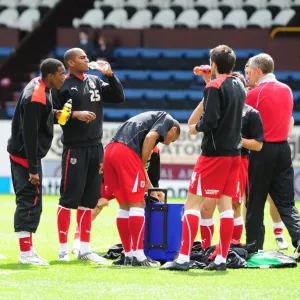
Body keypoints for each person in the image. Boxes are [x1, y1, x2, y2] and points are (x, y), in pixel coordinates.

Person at [160, 45, 245, 272]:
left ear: (214, 64)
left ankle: (184, 258)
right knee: (225, 206)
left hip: (213, 155)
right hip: (234, 153)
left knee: (192, 203)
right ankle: (220, 259)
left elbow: (211, 120)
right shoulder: (240, 85)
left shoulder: (214, 87)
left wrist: (195, 128)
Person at [53, 48, 125, 263]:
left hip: (96, 147)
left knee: (89, 199)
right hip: (74, 147)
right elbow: (51, 115)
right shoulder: (62, 84)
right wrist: (75, 114)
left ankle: (84, 248)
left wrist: (110, 76)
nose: (87, 59)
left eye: (86, 56)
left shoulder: (94, 80)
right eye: (82, 57)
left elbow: (119, 97)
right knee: (68, 199)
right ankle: (63, 249)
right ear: (71, 63)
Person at [7, 58, 66, 265]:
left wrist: (55, 114)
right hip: (25, 155)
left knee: (32, 200)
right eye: (62, 73)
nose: (64, 77)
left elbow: (37, 117)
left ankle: (28, 250)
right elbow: (29, 135)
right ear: (51, 75)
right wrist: (33, 169)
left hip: (24, 153)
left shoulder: (39, 87)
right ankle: (25, 254)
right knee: (29, 199)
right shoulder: (37, 96)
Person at [103, 111, 180, 267]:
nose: (168, 143)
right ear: (173, 130)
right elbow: (150, 138)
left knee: (124, 205)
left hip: (110, 150)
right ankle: (138, 256)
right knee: (138, 205)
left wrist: (152, 188)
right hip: (126, 152)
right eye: (172, 140)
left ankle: (128, 254)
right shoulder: (166, 118)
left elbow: (141, 169)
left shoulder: (142, 124)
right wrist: (141, 162)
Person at [200, 71, 264, 249]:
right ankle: (206, 248)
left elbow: (258, 145)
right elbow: (194, 122)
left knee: (234, 205)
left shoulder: (252, 114)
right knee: (206, 206)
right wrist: (208, 85)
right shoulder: (217, 109)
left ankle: (232, 246)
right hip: (214, 159)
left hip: (238, 160)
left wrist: (236, 139)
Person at [245, 53, 300, 258]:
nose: (248, 74)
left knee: (255, 201)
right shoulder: (287, 90)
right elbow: (289, 120)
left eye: (250, 69)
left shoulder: (255, 94)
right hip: (284, 150)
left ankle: (253, 247)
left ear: (258, 70)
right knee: (286, 203)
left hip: (261, 151)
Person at [72, 147, 162, 257]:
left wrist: (154, 192)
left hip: (134, 183)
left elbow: (154, 177)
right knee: (94, 208)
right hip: (112, 182)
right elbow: (103, 170)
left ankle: (145, 243)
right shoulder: (127, 149)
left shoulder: (155, 151)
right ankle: (78, 242)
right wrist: (97, 195)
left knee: (156, 200)